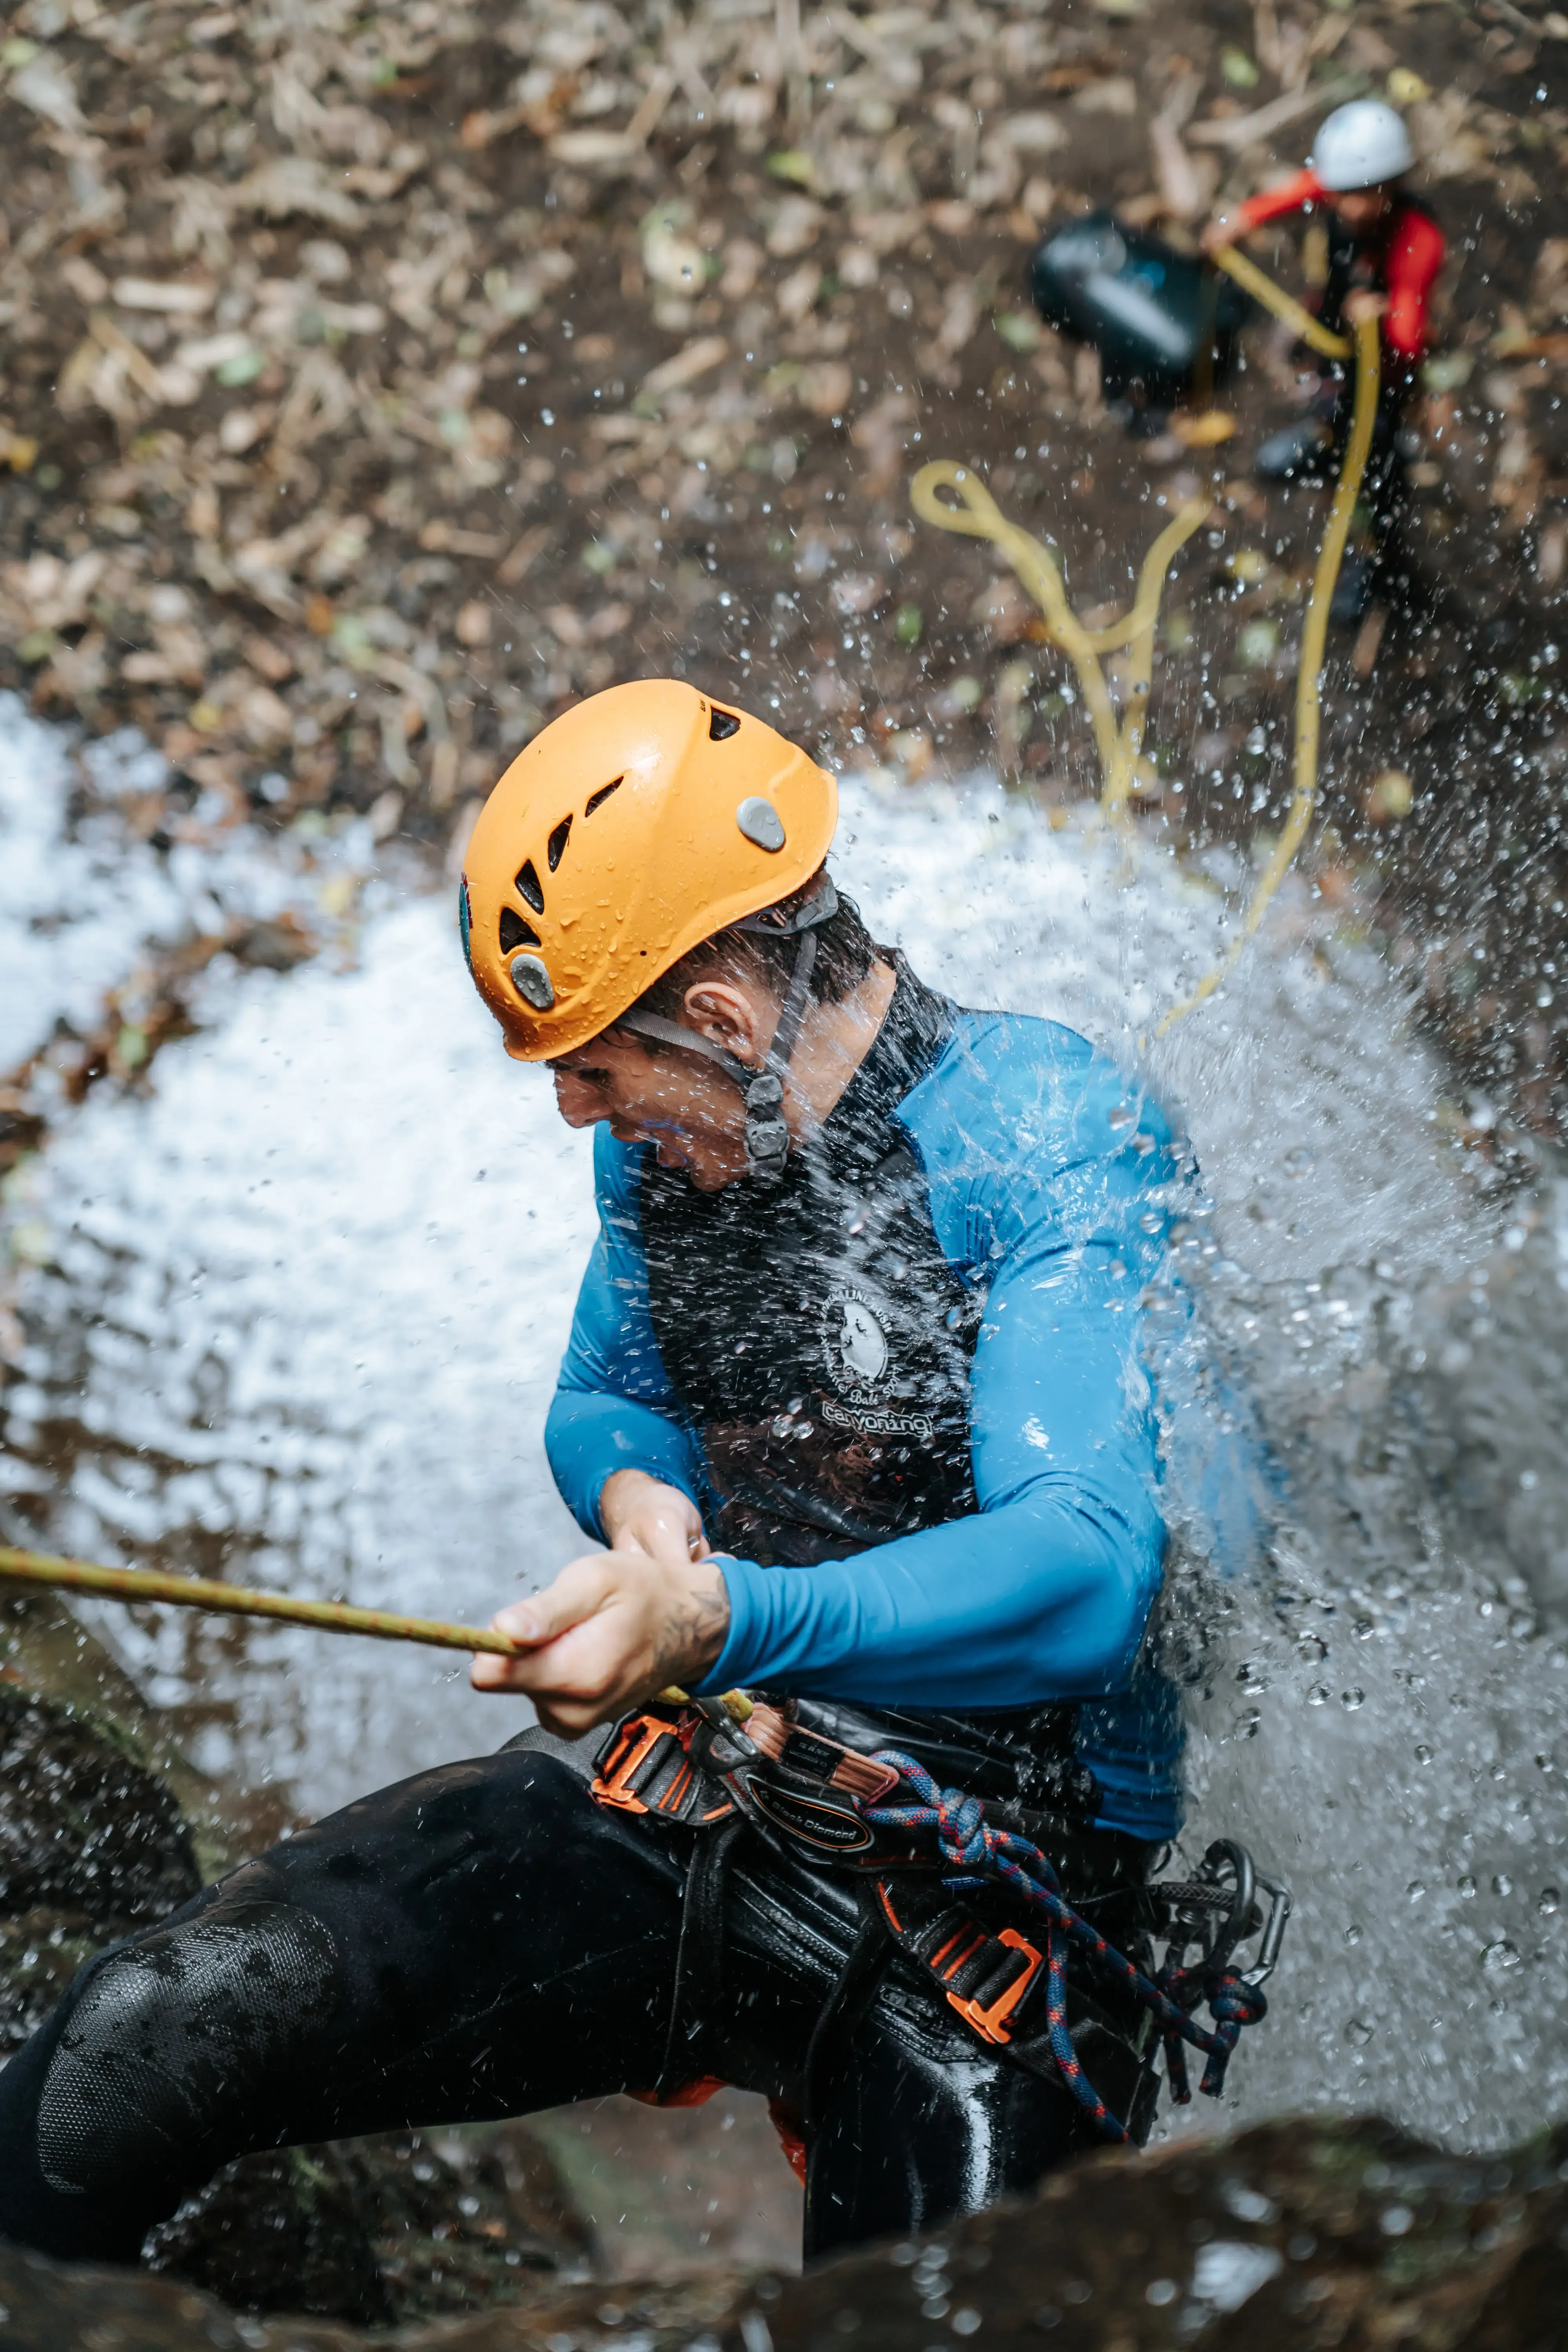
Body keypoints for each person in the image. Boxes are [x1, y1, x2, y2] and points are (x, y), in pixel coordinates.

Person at [0, 682, 1231, 2274]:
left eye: (590, 1068)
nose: (571, 1109)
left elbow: (1084, 1575)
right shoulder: (669, 1142)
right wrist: (650, 1518)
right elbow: (606, 1396)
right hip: (714, 1783)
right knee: (148, 2029)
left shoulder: (1049, 1138)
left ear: (719, 1017)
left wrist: (712, 1619)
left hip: (996, 1911)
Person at [1202, 98, 1446, 624]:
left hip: (1383, 375)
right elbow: (1299, 189)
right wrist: (1237, 220)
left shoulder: (1418, 239)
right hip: (1335, 348)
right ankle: (1325, 446)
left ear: (1389, 186)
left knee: (1377, 471)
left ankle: (1380, 567)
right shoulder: (1342, 190)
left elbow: (1407, 339)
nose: (1341, 204)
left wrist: (1377, 322)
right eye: (1338, 193)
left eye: (1356, 196)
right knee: (1330, 409)